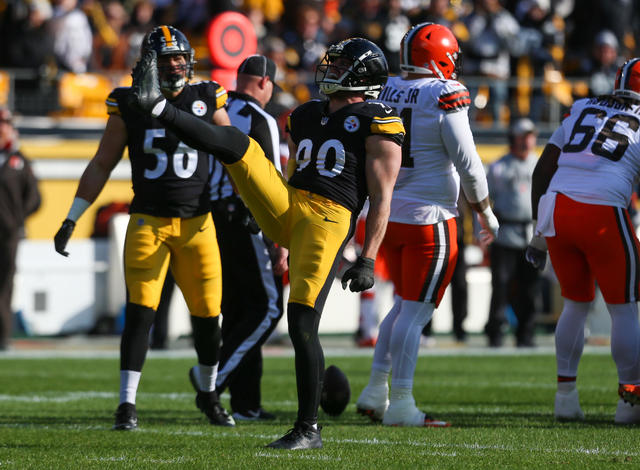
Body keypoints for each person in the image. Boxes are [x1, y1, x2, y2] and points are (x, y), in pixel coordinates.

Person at [128, 36, 404, 449]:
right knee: (241, 147)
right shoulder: (307, 114)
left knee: (301, 322)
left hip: (328, 220)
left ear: (362, 74)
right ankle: (160, 108)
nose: (328, 69)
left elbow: (382, 197)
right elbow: (293, 171)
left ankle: (308, 429)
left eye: (340, 64)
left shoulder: (378, 118)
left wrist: (368, 257)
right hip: (292, 204)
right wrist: (281, 238)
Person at [53, 25, 235, 430]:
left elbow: (233, 150)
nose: (176, 64)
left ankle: (208, 394)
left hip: (198, 224)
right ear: (150, 62)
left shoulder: (207, 96)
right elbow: (102, 162)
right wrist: (72, 215)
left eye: (180, 56)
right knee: (140, 314)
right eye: (167, 58)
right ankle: (126, 405)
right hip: (148, 222)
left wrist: (249, 205)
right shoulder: (128, 102)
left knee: (208, 317)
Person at [356, 22, 499, 427]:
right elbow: (468, 164)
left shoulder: (385, 89)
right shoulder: (443, 94)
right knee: (415, 314)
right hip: (429, 220)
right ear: (438, 56)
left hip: (389, 216)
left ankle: (374, 390)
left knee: (402, 307)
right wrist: (485, 211)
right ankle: (400, 402)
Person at [526, 58, 640, 424]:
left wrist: (538, 229)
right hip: (603, 211)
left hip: (558, 208)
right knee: (623, 307)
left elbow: (543, 169)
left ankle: (565, 397)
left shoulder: (583, 106)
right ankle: (630, 401)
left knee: (576, 304)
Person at [208, 54, 288, 421]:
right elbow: (271, 183)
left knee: (239, 312)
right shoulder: (262, 119)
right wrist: (283, 240)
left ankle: (246, 404)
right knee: (268, 308)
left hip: (213, 218)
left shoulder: (215, 108)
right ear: (264, 83)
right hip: (247, 220)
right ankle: (212, 384)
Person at [484, 117, 541, 348]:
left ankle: (526, 333)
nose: (528, 141)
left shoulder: (539, 164)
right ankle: (495, 332)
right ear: (514, 139)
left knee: (530, 287)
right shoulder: (499, 167)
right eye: (523, 136)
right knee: (501, 285)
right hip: (505, 233)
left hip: (531, 234)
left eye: (530, 136)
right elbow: (485, 201)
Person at [0, 108, 41, 351]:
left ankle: (2, 335)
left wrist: (16, 220)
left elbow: (34, 199)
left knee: (4, 284)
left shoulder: (20, 161)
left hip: (8, 233)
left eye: (5, 123)